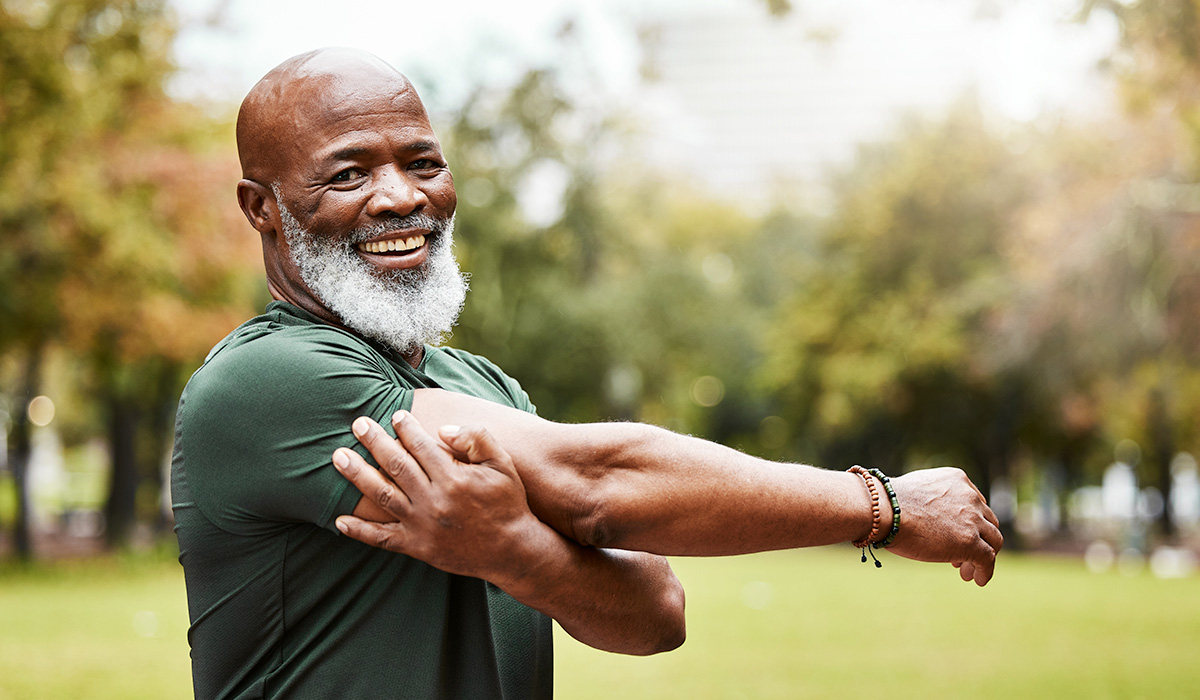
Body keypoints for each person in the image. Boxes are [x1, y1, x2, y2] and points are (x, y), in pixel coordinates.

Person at [172, 47, 1001, 700]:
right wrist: (881, 506)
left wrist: (518, 552)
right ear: (262, 208)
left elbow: (656, 614)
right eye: (348, 173)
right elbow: (596, 481)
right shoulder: (266, 380)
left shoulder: (486, 389)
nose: (399, 198)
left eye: (422, 162)